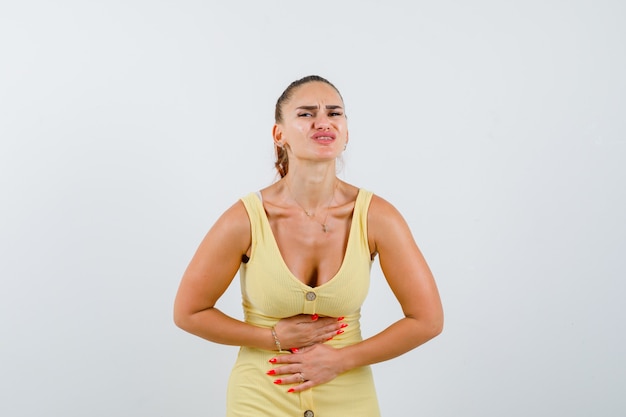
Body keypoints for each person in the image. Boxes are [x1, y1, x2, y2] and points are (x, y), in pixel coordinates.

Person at [173, 75, 443, 417]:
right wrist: (271, 337)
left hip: (349, 394)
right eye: (305, 114)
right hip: (261, 394)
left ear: (345, 133)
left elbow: (427, 319)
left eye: (334, 113)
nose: (323, 122)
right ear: (279, 134)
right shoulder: (245, 219)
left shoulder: (378, 217)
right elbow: (189, 312)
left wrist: (341, 360)